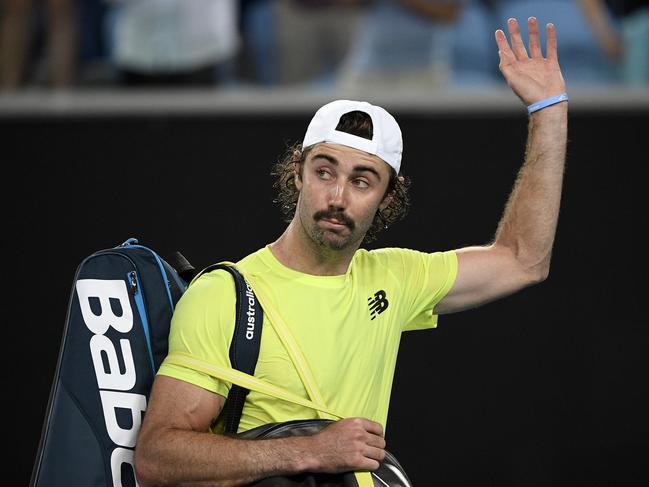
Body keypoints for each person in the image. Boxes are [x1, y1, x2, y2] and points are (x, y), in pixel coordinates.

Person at [134, 17, 569, 486]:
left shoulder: (394, 279)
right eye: (325, 172)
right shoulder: (224, 295)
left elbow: (524, 259)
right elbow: (158, 457)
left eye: (362, 181)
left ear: (387, 197)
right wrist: (309, 452)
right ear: (298, 173)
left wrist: (549, 110)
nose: (338, 197)